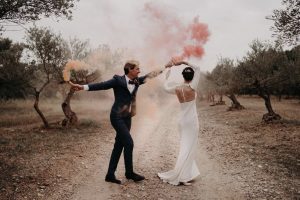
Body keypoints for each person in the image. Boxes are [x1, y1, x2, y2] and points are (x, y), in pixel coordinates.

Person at [70, 60, 167, 184]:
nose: (139, 71)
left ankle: (110, 174)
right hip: (117, 116)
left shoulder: (137, 81)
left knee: (119, 145)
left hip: (127, 116)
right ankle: (129, 173)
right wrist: (82, 87)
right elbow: (101, 85)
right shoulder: (117, 80)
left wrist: (165, 66)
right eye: (137, 69)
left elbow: (150, 75)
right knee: (129, 143)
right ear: (130, 70)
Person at [158, 60, 200, 186]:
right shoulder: (193, 87)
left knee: (184, 147)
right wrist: (183, 62)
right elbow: (197, 67)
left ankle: (187, 173)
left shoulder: (176, 88)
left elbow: (165, 88)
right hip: (191, 121)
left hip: (181, 121)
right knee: (189, 148)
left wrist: (167, 77)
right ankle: (183, 176)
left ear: (183, 76)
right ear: (192, 77)